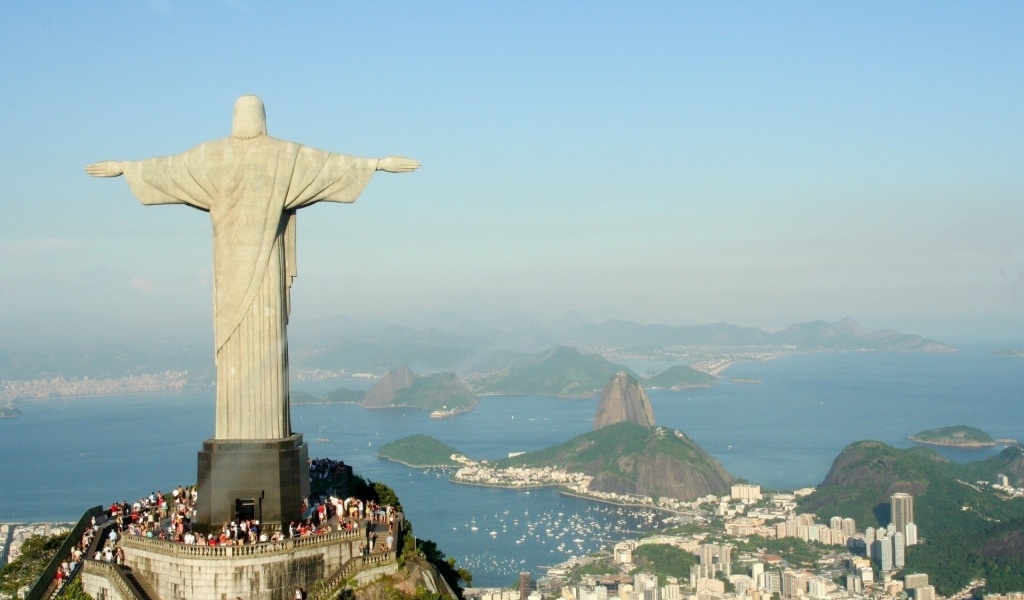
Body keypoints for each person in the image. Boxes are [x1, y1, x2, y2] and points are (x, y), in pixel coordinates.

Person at [85, 95, 419, 440]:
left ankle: (240, 433)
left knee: (251, 343)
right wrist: (377, 163)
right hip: (258, 270)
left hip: (230, 270)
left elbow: (167, 169)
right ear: (263, 118)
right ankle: (260, 432)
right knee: (259, 341)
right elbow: (329, 166)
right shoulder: (283, 156)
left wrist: (126, 168)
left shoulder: (211, 157)